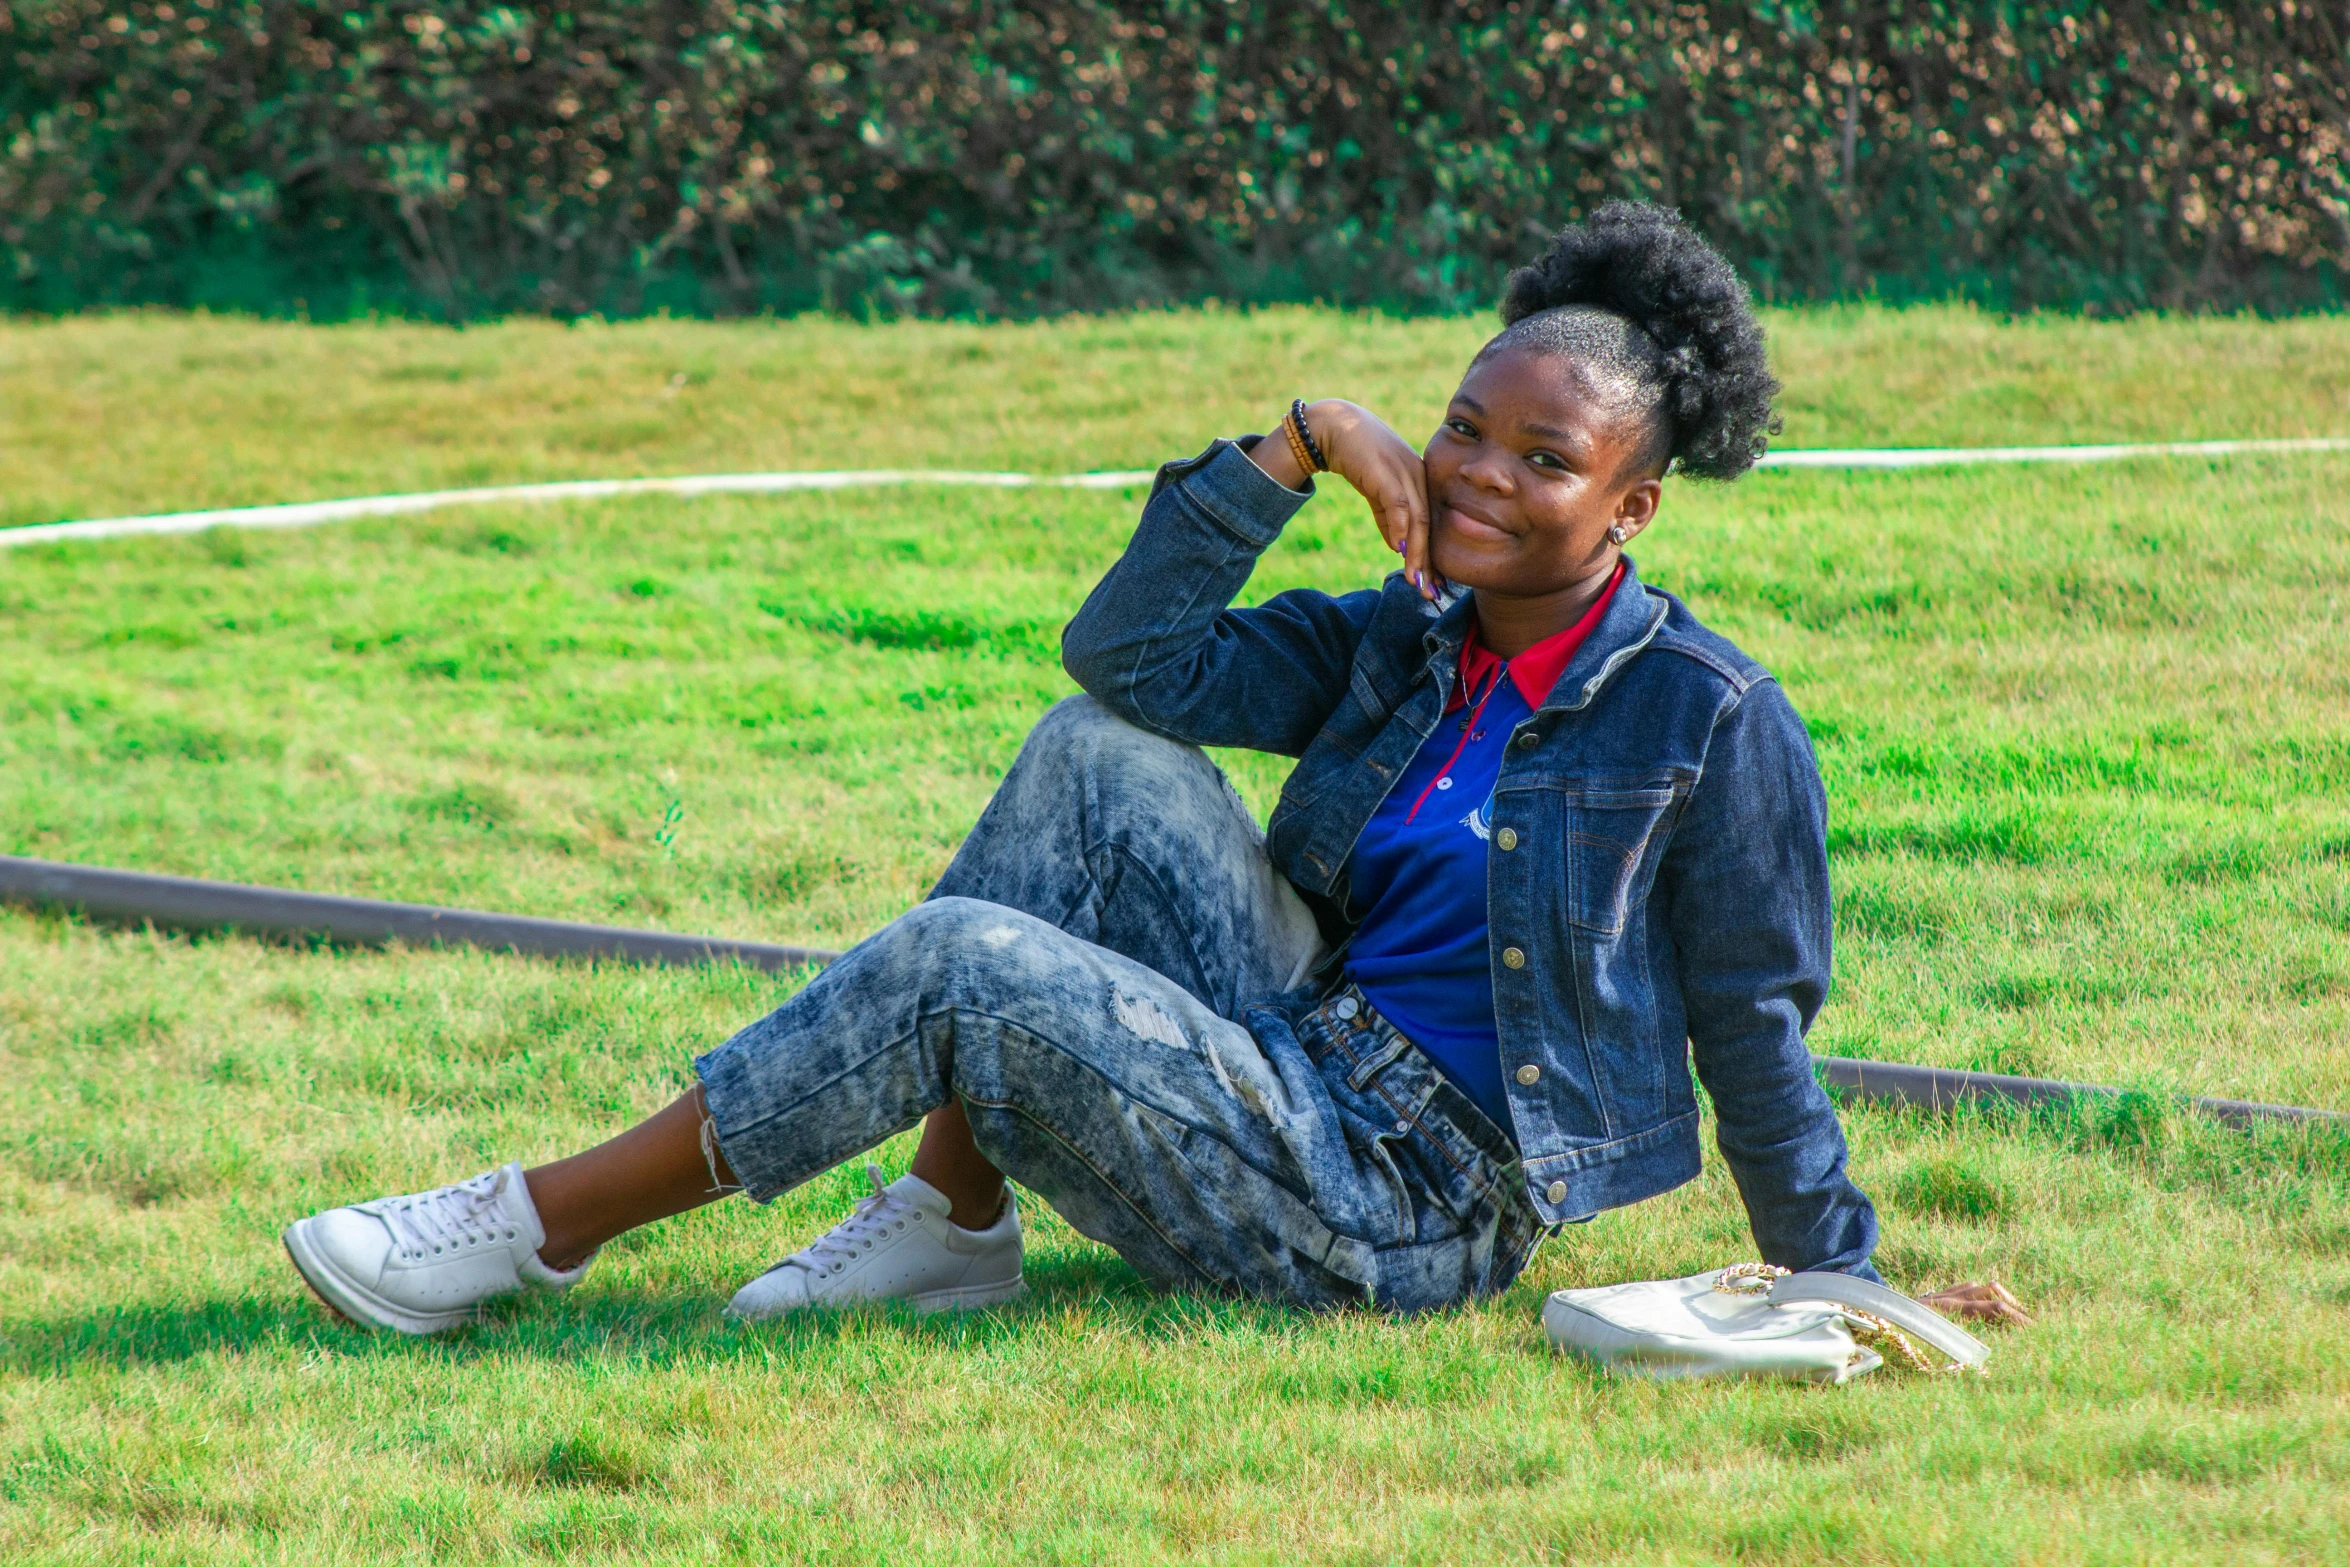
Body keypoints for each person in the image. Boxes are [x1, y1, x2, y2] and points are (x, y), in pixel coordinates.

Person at [283, 202, 2028, 1336]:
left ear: (1631, 505)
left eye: (1545, 460)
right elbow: (1135, 662)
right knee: (1097, 758)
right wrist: (1291, 450)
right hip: (1298, 1043)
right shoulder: (1405, 633)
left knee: (966, 965)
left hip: (1411, 1203)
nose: (1484, 474)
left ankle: (528, 1230)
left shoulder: (1710, 720)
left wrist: (1840, 1274)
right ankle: (950, 1222)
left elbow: (1753, 1019)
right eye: (1462, 429)